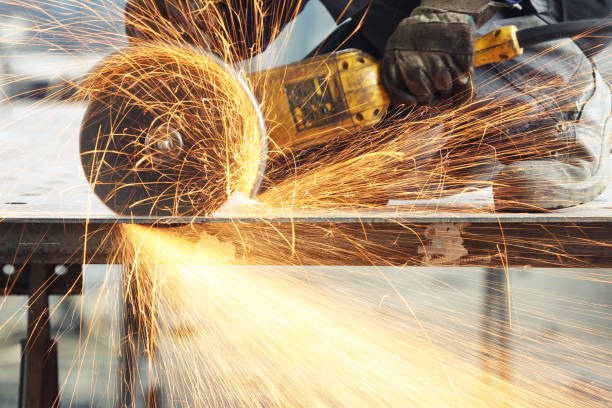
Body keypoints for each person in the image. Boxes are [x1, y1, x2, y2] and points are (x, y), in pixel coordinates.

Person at [124, 0, 612, 211]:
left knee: (466, 35)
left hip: (562, 25)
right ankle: (469, 132)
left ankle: (563, 115)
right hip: (396, 19)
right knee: (286, 162)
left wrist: (449, 8)